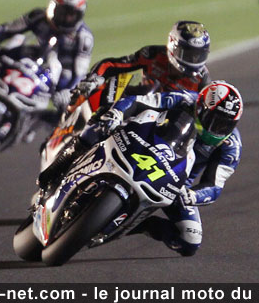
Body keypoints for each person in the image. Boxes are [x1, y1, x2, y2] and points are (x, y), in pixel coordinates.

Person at [38, 80, 243, 256]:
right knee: (98, 123)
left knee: (190, 240)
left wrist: (193, 196)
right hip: (141, 144)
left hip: (174, 184)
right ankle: (56, 170)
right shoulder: (185, 99)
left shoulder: (231, 146)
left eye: (225, 125)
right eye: (213, 120)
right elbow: (138, 101)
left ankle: (137, 224)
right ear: (201, 108)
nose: (217, 129)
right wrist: (117, 113)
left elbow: (214, 186)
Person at [0, 0, 94, 110]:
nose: (66, 18)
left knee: (77, 107)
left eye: (72, 15)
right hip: (30, 60)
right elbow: (7, 29)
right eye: (62, 13)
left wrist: (69, 91)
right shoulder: (38, 16)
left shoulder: (84, 37)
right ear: (53, 7)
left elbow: (80, 72)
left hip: (56, 75)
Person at [75, 20, 212, 98]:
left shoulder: (202, 81)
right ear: (173, 46)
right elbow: (113, 65)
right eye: (188, 54)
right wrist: (94, 78)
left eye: (198, 55)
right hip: (132, 109)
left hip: (165, 129)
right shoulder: (153, 54)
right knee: (93, 90)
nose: (194, 60)